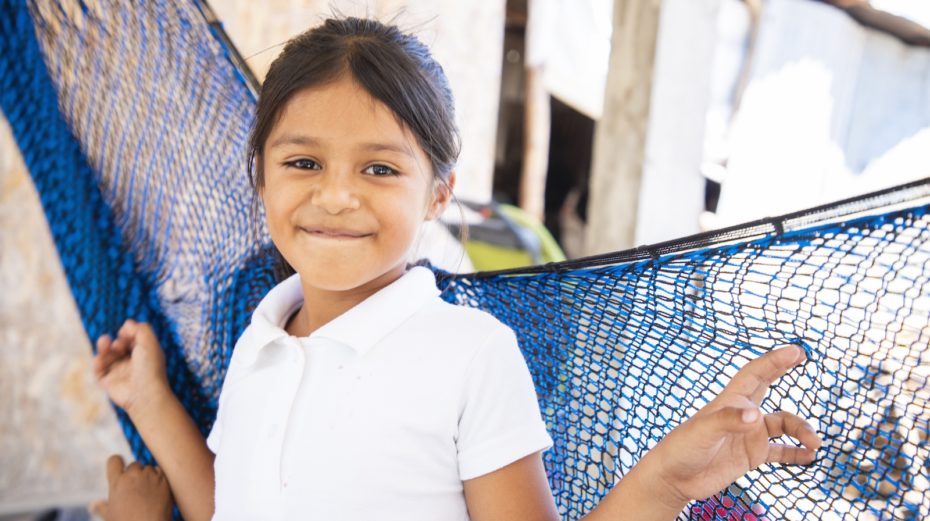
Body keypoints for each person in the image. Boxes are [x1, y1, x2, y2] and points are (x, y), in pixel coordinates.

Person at [89, 17, 821, 521]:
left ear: (439, 190)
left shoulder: (469, 354)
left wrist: (667, 480)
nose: (335, 194)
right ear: (260, 176)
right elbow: (232, 504)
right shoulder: (259, 341)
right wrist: (148, 398)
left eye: (379, 167)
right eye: (303, 162)